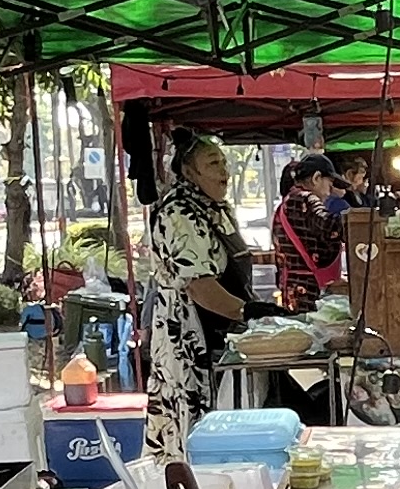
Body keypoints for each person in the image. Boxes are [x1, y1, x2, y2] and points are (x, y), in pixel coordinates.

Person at [143, 131, 253, 436]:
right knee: (197, 428)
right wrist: (249, 313)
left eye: (224, 162)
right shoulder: (180, 212)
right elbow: (200, 287)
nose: (224, 171)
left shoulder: (213, 208)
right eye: (213, 163)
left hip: (221, 329)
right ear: (189, 172)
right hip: (190, 333)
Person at [271, 149, 349, 310]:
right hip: (308, 293)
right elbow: (330, 226)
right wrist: (359, 221)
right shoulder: (306, 199)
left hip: (293, 290)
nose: (330, 191)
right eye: (330, 183)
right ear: (316, 178)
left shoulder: (289, 202)